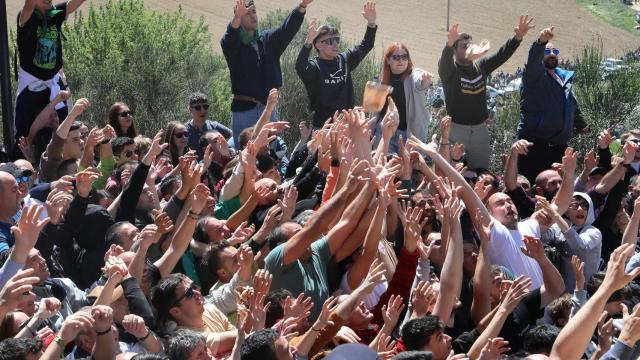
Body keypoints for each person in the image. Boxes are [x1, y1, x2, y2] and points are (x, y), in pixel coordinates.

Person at [438, 16, 534, 169]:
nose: (468, 49)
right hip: (456, 129)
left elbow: (501, 55)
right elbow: (444, 61)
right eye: (463, 46)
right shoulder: (450, 71)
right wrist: (448, 45)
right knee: (448, 170)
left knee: (481, 170)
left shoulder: (481, 66)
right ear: (454, 51)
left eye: (470, 45)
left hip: (479, 130)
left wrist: (518, 38)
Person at [221, 0, 314, 147]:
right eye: (247, 13)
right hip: (244, 111)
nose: (253, 16)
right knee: (245, 153)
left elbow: (286, 30)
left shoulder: (267, 39)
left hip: (268, 108)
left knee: (269, 154)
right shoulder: (234, 45)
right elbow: (229, 39)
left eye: (254, 12)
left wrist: (302, 6)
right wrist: (237, 18)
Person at [14, 0, 88, 158]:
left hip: (53, 81)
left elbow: (72, 4)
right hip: (32, 83)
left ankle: (68, 158)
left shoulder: (54, 14)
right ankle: (26, 163)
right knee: (24, 134)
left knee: (64, 123)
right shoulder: (26, 18)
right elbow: (28, 7)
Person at [517, 26, 587, 183]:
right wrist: (540, 43)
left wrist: (581, 125)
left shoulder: (564, 79)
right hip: (534, 146)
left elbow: (571, 105)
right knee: (532, 188)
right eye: (547, 51)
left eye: (555, 52)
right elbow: (532, 63)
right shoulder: (534, 78)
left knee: (559, 188)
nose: (551, 55)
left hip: (558, 147)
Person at [296, 1, 377, 129]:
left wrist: (371, 24)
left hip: (346, 125)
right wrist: (308, 42)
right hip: (323, 127)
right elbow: (300, 68)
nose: (335, 44)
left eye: (337, 40)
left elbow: (366, 45)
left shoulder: (344, 59)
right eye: (330, 41)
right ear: (318, 45)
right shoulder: (314, 67)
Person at [375, 43, 433, 153]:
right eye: (396, 57)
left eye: (404, 57)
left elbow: (419, 82)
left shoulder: (414, 76)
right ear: (388, 60)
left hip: (409, 134)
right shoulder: (380, 80)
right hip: (384, 133)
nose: (401, 60)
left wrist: (424, 81)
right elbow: (373, 111)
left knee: (410, 168)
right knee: (383, 166)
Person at [185, 92, 232, 160]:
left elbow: (234, 137)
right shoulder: (184, 132)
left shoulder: (214, 126)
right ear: (190, 109)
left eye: (205, 106)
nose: (203, 110)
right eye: (198, 108)